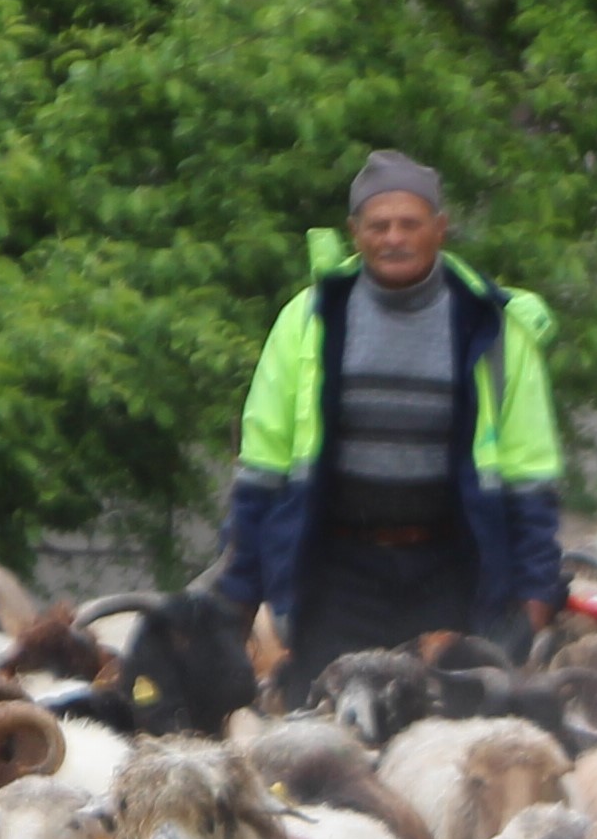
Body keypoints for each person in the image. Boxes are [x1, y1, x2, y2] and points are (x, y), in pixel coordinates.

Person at [222, 150, 564, 681]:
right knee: (328, 714)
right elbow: (262, 470)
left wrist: (534, 602)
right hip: (337, 574)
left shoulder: (494, 329)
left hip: (451, 573)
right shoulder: (308, 320)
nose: (394, 238)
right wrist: (239, 598)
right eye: (378, 226)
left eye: (410, 224)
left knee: (445, 721)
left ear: (440, 229)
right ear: (354, 233)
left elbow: (531, 478)